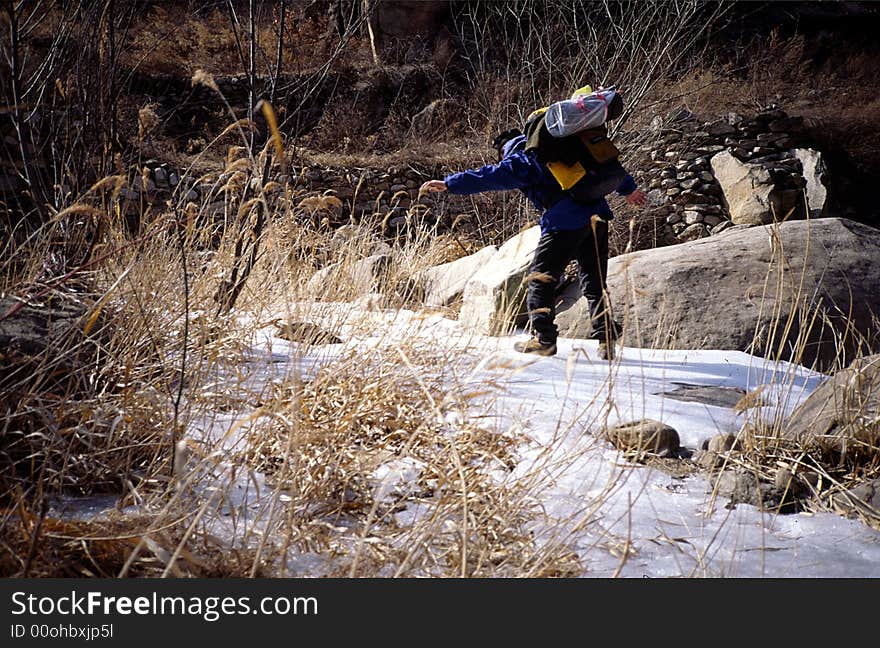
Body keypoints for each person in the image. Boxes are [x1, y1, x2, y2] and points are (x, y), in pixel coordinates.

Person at [420, 118, 646, 359]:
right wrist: (629, 190)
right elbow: (605, 165)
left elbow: (491, 176)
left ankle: (544, 339)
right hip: (596, 216)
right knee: (594, 279)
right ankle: (606, 338)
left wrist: (449, 183)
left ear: (504, 149)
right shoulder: (566, 149)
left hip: (565, 222)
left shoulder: (526, 158)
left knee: (540, 278)